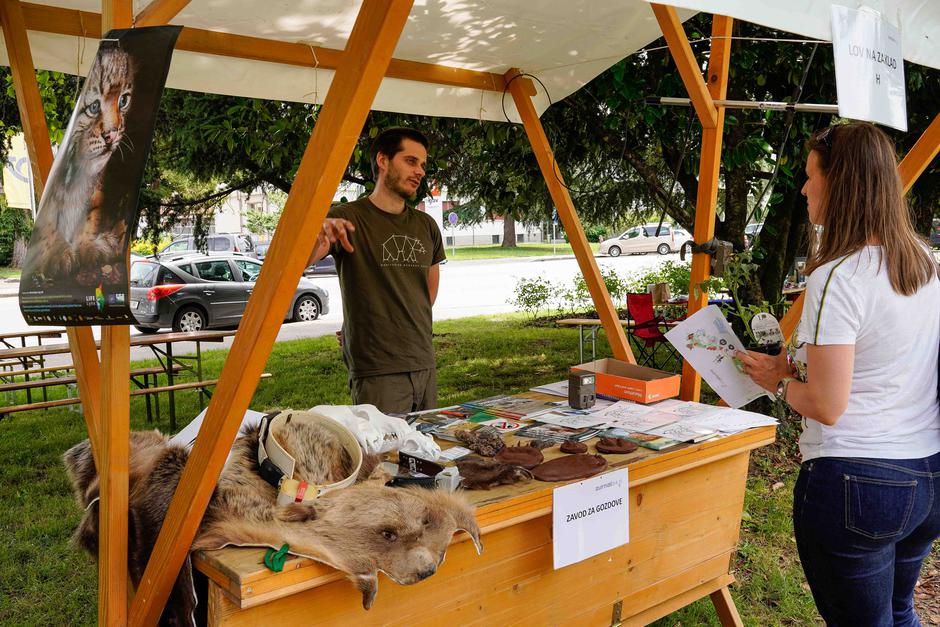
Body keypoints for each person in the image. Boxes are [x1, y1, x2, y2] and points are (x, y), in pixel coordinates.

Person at [738, 122, 940, 626]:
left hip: (859, 480)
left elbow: (827, 404)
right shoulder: (923, 262)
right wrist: (793, 368)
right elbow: (886, 360)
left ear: (841, 181)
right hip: (928, 473)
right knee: (900, 611)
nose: (804, 189)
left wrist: (778, 383)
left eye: (811, 176)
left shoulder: (838, 276)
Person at [309, 127, 444, 414]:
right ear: (383, 161)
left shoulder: (427, 225)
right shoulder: (346, 217)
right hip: (378, 370)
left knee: (426, 453)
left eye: (422, 164)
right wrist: (317, 231)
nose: (420, 171)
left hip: (424, 362)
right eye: (410, 161)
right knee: (383, 456)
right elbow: (301, 258)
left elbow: (427, 295)